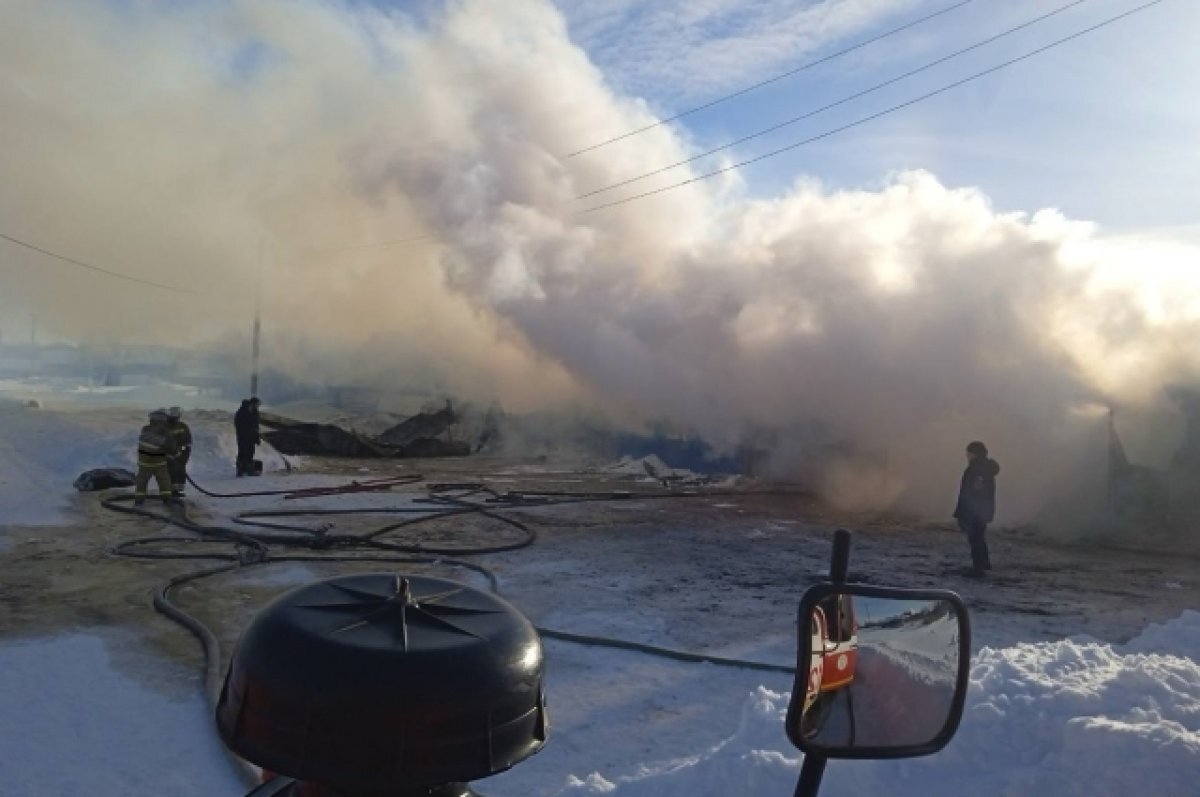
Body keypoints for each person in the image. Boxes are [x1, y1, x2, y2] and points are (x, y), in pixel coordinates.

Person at [953, 440, 1000, 576]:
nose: (967, 456)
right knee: (978, 536)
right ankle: (983, 563)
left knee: (975, 538)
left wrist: (965, 512)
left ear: (975, 453)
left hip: (975, 511)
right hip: (982, 510)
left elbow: (973, 491)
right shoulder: (984, 467)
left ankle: (979, 566)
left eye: (969, 453)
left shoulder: (977, 468)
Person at [134, 409, 178, 506]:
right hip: (159, 463)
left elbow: (149, 444)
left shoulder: (145, 429)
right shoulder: (165, 432)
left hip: (144, 463)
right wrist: (172, 454)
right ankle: (167, 500)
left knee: (141, 482)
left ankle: (139, 500)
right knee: (164, 481)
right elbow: (171, 448)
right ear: (163, 421)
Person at [165, 406, 192, 497]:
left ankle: (178, 491)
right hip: (169, 456)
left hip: (180, 456)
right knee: (170, 472)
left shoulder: (183, 426)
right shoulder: (165, 427)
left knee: (180, 472)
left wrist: (184, 456)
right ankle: (169, 491)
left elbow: (188, 442)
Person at [234, 397, 261, 476]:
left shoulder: (248, 413)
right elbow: (251, 427)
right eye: (257, 404)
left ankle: (243, 470)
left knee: (245, 453)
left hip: (246, 438)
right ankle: (245, 470)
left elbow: (254, 427)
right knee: (246, 453)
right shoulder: (245, 414)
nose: (258, 406)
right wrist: (255, 436)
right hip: (246, 438)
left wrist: (256, 437)